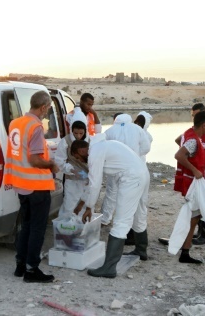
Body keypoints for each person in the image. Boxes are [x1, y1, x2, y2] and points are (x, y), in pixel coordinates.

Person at [71, 135, 150, 278]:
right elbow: (92, 183)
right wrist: (82, 202)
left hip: (131, 178)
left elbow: (95, 184)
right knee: (139, 214)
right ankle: (141, 250)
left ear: (81, 151)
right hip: (142, 173)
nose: (79, 161)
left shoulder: (95, 153)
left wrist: (89, 207)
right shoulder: (104, 145)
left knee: (121, 221)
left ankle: (109, 267)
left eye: (77, 157)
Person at [4, 90, 59, 283]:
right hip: (36, 185)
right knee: (37, 228)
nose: (47, 113)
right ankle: (31, 269)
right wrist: (51, 165)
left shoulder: (15, 123)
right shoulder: (35, 126)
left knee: (25, 226)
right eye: (48, 109)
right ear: (43, 107)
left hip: (20, 184)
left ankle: (20, 265)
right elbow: (34, 159)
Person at [158, 103, 205, 246]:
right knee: (196, 209)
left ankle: (201, 235)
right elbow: (180, 143)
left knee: (203, 207)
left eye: (196, 115)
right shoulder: (192, 135)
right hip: (197, 176)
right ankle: (187, 241)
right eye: (192, 115)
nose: (193, 117)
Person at [169, 111, 205, 264]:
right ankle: (185, 252)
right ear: (203, 124)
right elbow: (179, 155)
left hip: (191, 183)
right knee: (193, 218)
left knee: (193, 217)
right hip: (192, 184)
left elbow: (178, 140)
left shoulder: (189, 134)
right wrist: (194, 169)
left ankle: (184, 248)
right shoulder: (194, 141)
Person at [101, 114, 151, 227]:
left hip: (114, 168)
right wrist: (136, 155)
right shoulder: (137, 129)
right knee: (129, 195)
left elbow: (103, 148)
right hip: (132, 168)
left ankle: (105, 218)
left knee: (111, 192)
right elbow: (146, 147)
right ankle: (126, 222)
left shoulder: (109, 130)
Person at [54, 107, 90, 217]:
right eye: (75, 133)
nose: (78, 136)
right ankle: (67, 231)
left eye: (81, 133)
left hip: (87, 180)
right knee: (69, 206)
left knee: (85, 205)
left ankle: (82, 230)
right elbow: (59, 161)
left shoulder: (91, 141)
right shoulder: (65, 141)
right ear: (71, 130)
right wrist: (72, 169)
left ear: (85, 131)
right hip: (72, 180)